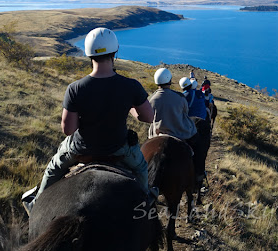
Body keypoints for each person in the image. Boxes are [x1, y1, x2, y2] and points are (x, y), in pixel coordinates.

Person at [22, 27, 155, 215]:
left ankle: (36, 205)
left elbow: (68, 130)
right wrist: (131, 107)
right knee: (141, 168)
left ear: (88, 54)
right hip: (119, 148)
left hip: (80, 149)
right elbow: (148, 117)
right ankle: (146, 202)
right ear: (115, 52)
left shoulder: (75, 88)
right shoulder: (131, 86)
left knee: (53, 169)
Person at [148, 68, 197, 141]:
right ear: (169, 80)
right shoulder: (180, 97)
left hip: (156, 134)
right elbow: (185, 112)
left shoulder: (150, 99)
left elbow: (148, 117)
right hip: (179, 134)